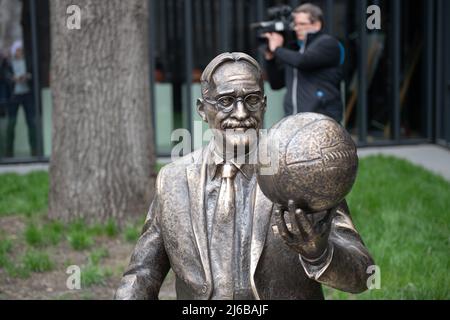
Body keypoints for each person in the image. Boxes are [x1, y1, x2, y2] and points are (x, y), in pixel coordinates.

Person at [115, 52, 373, 300]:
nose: (241, 114)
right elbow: (143, 273)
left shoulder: (303, 172)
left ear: (264, 104)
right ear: (203, 110)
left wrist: (320, 255)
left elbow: (363, 275)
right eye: (226, 101)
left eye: (251, 100)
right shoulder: (172, 180)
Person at [264, 3, 345, 122]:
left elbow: (303, 61)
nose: (297, 28)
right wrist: (270, 59)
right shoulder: (296, 49)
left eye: (302, 24)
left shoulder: (328, 43)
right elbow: (277, 84)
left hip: (322, 119)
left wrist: (277, 49)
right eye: (295, 24)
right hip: (293, 119)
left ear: (317, 24)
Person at [5, 40, 37, 157]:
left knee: (31, 122)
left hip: (26, 94)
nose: (20, 52)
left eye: (21, 50)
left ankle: (35, 150)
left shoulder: (28, 61)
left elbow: (33, 73)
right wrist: (13, 78)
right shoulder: (9, 63)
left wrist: (27, 76)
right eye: (18, 50)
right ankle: (8, 153)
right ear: (14, 52)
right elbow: (5, 75)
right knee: (11, 123)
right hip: (14, 96)